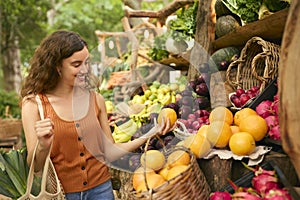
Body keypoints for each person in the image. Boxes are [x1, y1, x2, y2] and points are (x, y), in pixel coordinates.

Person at [20, 30, 172, 200]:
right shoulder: (34, 105)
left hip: (102, 191)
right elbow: (35, 166)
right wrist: (42, 145)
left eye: (87, 63)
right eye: (76, 65)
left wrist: (149, 134)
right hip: (63, 195)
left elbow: (109, 151)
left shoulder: (95, 99)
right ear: (57, 66)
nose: (85, 70)